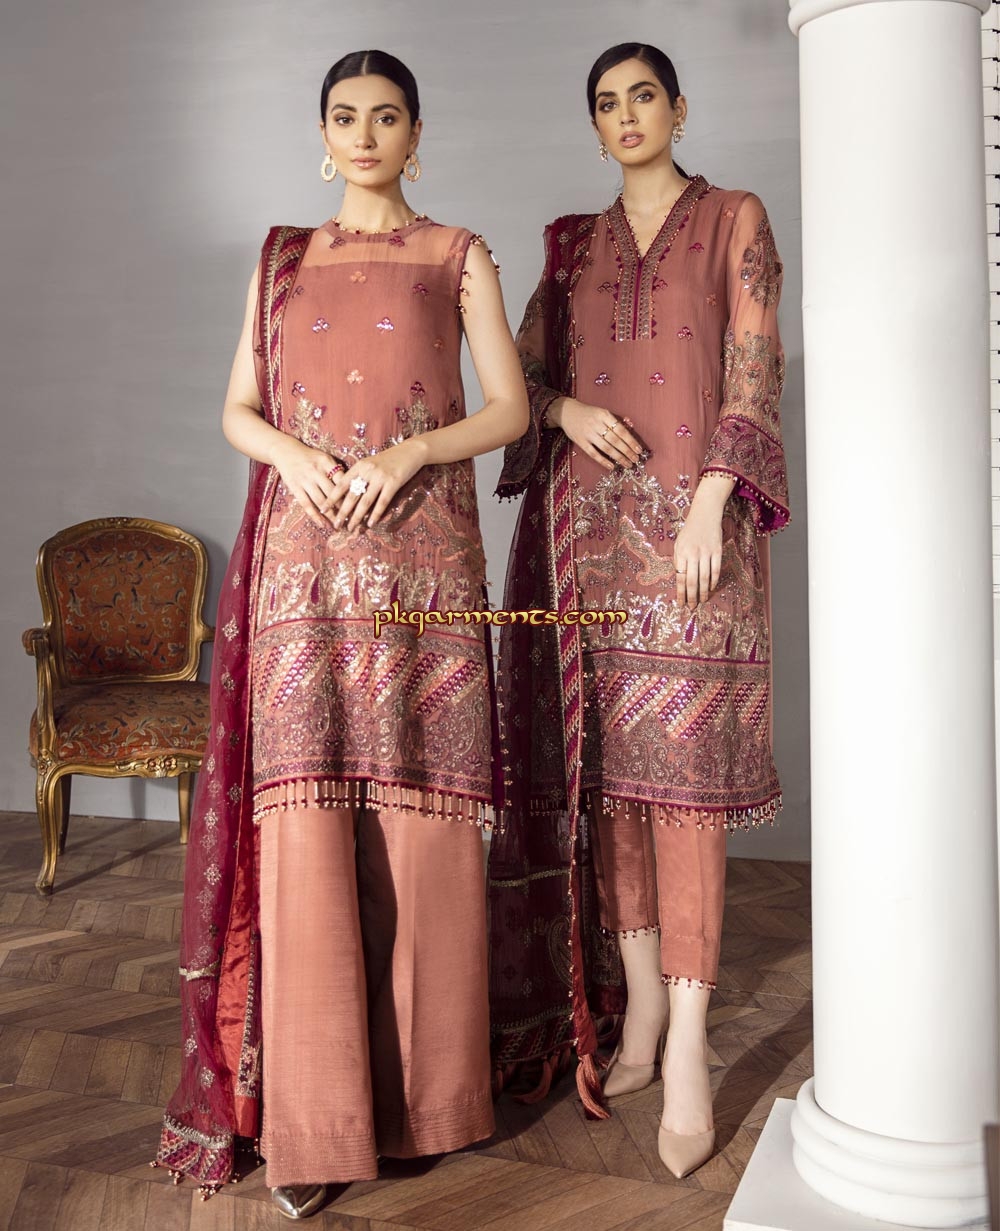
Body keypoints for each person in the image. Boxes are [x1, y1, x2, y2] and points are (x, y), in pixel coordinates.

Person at [155, 49, 528, 1220]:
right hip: (303, 573)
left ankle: (425, 1103)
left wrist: (412, 452)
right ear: (323, 136)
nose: (364, 133)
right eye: (344, 116)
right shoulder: (280, 259)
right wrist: (294, 455)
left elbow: (510, 407)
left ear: (417, 134)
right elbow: (236, 408)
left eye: (386, 116)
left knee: (423, 828)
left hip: (424, 569)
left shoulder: (457, 253)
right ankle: (316, 1127)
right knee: (308, 828)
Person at [488, 42, 788, 1180]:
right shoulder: (572, 246)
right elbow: (517, 380)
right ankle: (645, 1010)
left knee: (686, 793)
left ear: (678, 108)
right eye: (606, 103)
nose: (626, 116)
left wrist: (712, 501)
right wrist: (563, 413)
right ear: (595, 123)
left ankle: (691, 1043)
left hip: (697, 543)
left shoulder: (735, 219)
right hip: (587, 553)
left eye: (643, 97)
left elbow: (753, 367)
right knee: (611, 783)